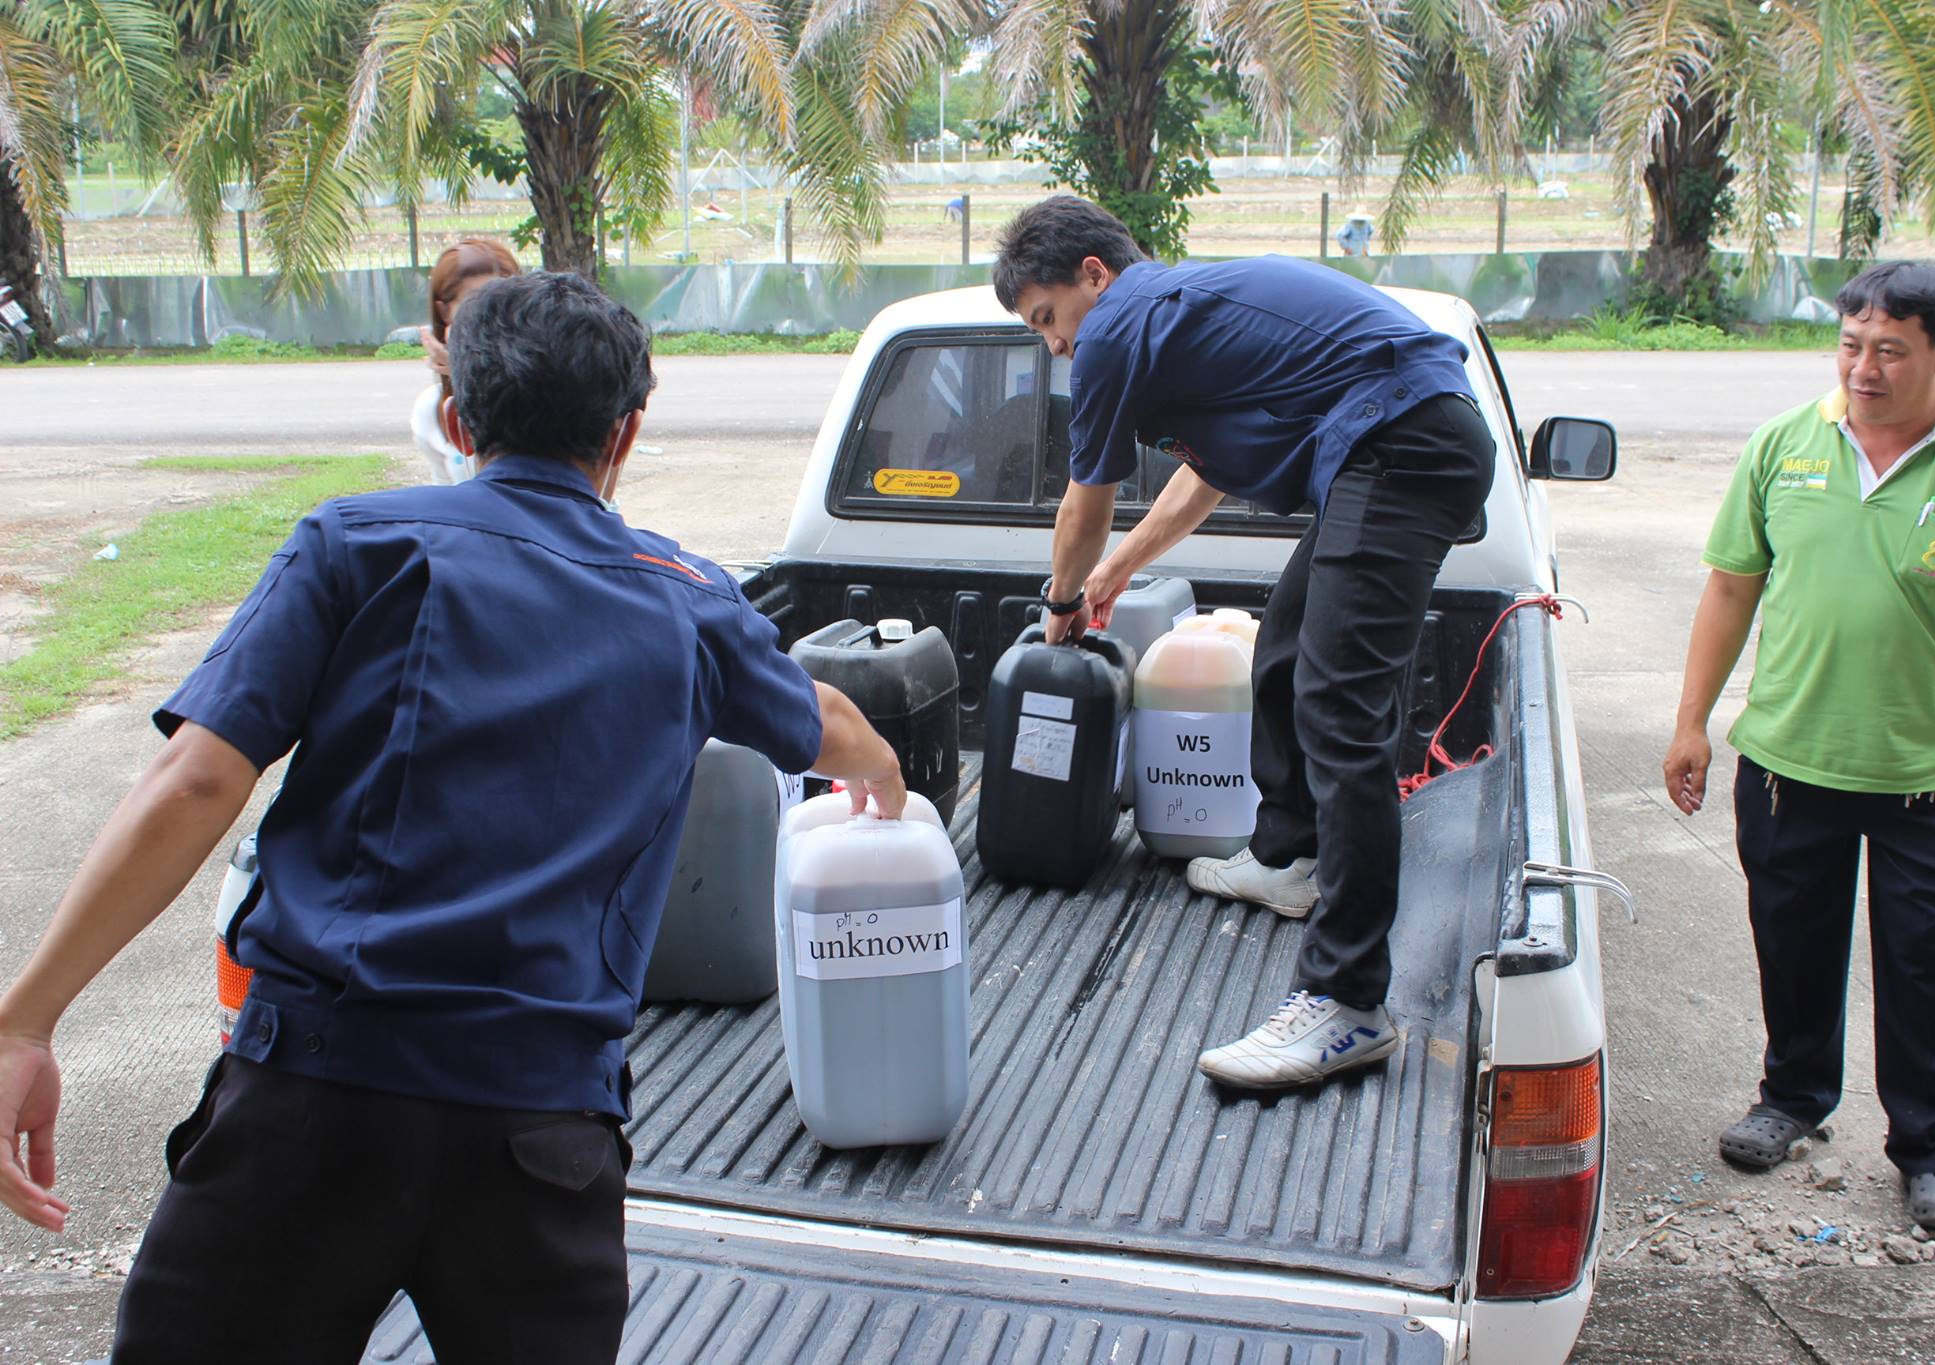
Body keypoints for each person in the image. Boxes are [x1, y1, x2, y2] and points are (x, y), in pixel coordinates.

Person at [0, 271, 907, 1360]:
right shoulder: (689, 599)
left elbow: (195, 782)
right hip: (539, 1139)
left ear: (456, 418)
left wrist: (26, 1022)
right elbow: (822, 718)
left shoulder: (354, 544)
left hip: (310, 1098)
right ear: (624, 434)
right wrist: (880, 772)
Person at [994, 195, 1494, 1091]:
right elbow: (1203, 480)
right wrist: (1114, 574)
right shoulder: (1173, 325)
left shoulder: (1120, 328)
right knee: (1286, 651)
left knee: (1340, 711)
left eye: (1046, 317)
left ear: (1094, 277)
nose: (1055, 344)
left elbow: (1083, 502)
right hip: (1394, 440)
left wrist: (1061, 600)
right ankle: (1289, 855)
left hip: (1403, 440)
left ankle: (1347, 1002)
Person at [1662, 261, 1935, 1232]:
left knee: (1928, 970)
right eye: (1849, 345)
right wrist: (1690, 721)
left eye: (1889, 351)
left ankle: (1928, 1147)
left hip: (1934, 778)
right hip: (1788, 765)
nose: (1863, 369)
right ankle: (1792, 1098)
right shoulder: (1785, 444)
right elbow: (1730, 587)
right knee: (1792, 946)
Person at [411, 238, 520, 484]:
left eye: (508, 303)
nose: (494, 319)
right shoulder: (431, 408)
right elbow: (444, 495)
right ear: (444, 312)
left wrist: (469, 376)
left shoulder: (550, 390)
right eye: (476, 304)